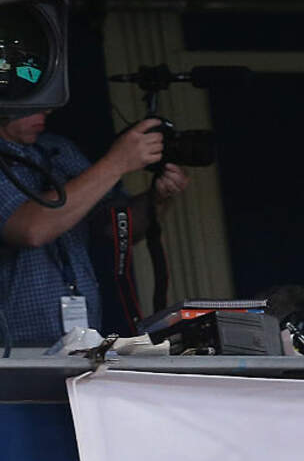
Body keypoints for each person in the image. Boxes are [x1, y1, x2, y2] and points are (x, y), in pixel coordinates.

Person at [0, 111, 190, 347]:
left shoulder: (58, 149)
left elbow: (115, 230)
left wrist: (157, 199)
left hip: (83, 341)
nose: (46, 110)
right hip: (11, 352)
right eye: (34, 102)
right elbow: (30, 229)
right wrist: (116, 162)